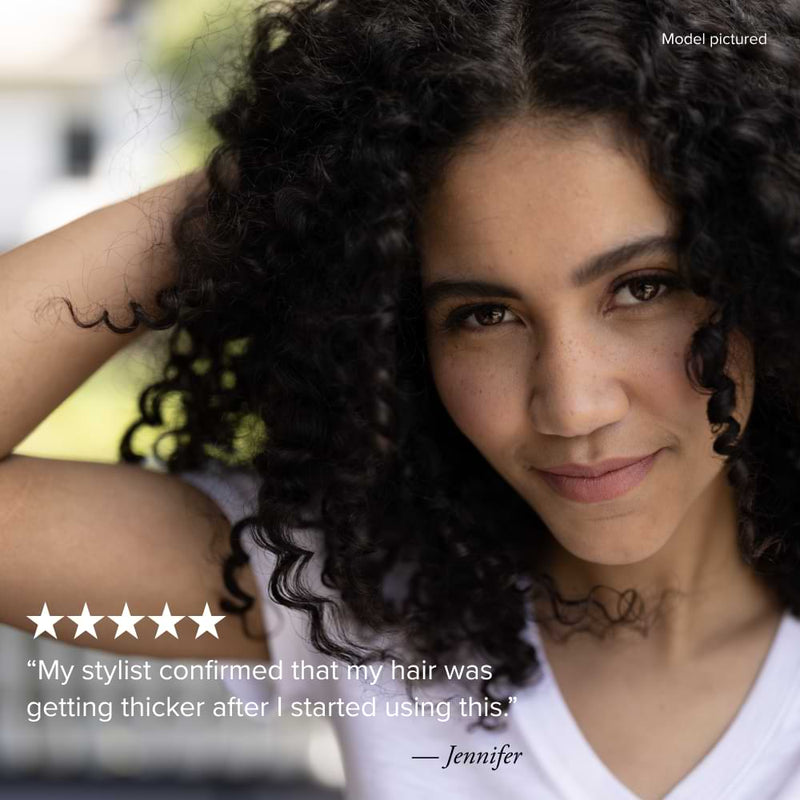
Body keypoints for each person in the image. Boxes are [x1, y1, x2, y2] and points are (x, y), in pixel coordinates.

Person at [2, 0, 800, 798]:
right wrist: (281, 177)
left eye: (643, 287)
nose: (572, 406)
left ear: (767, 262)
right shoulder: (355, 591)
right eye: (484, 315)